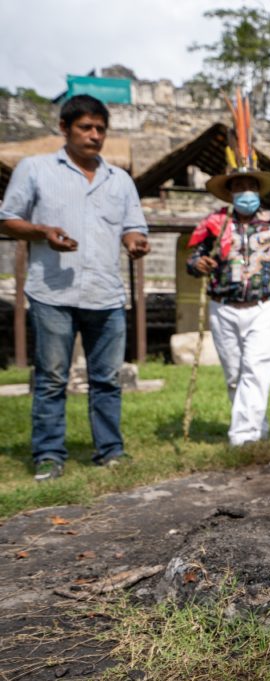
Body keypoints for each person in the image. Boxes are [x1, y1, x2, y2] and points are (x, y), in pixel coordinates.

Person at [0, 94, 150, 481]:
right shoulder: (35, 169)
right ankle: (49, 455)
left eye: (101, 129)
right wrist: (42, 231)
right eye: (86, 127)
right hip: (52, 292)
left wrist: (134, 242)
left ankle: (110, 450)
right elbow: (8, 219)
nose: (95, 135)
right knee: (52, 379)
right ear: (64, 128)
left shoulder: (120, 180)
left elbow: (135, 226)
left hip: (106, 293)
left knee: (107, 379)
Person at [185, 112, 270, 447]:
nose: (245, 191)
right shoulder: (214, 222)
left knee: (257, 369)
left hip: (263, 306)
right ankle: (255, 426)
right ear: (230, 191)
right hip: (224, 307)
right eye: (239, 186)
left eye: (251, 186)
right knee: (235, 374)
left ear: (259, 189)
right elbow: (193, 259)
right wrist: (200, 264)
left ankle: (242, 438)